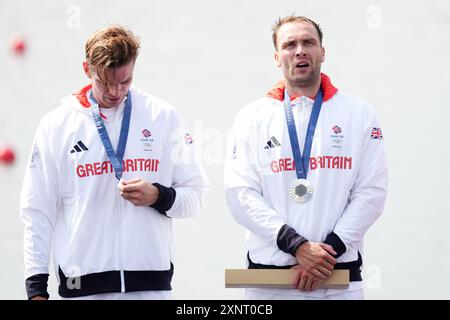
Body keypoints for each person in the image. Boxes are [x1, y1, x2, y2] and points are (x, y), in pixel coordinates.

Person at [20, 25, 207, 300]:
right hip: (82, 289)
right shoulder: (56, 125)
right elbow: (37, 210)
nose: (116, 92)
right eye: (104, 82)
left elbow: (196, 197)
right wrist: (36, 288)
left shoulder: (163, 116)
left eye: (125, 81)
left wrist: (158, 196)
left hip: (150, 287)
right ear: (87, 69)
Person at [224, 15, 388, 299]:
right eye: (290, 44)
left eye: (308, 42)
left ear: (322, 52)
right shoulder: (251, 117)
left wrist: (325, 255)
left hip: (338, 278)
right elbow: (240, 195)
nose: (300, 50)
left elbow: (372, 192)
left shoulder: (359, 113)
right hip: (271, 283)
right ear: (277, 57)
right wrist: (298, 246)